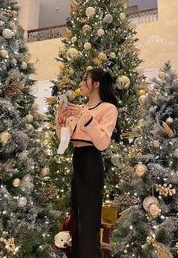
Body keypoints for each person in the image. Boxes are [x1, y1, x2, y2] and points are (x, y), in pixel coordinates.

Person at [56, 68, 118, 258]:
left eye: (85, 79)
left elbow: (102, 143)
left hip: (92, 161)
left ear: (96, 84)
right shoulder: (79, 109)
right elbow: (64, 140)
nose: (81, 83)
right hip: (78, 160)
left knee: (89, 217)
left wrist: (86, 118)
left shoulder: (108, 108)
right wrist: (60, 119)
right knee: (77, 214)